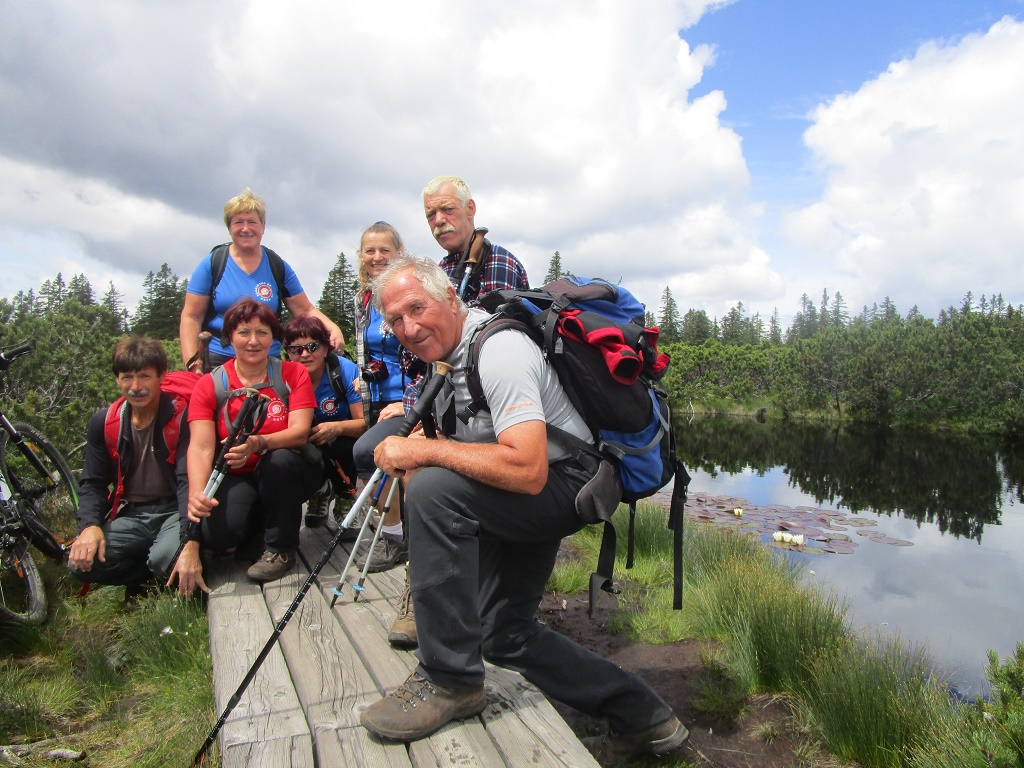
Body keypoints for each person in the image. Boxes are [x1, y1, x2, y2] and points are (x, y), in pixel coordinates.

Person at [357, 255, 688, 767]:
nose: (408, 327)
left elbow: (527, 468)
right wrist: (434, 441)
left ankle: (449, 679)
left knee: (431, 489)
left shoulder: (500, 349)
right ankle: (644, 717)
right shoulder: (450, 353)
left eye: (416, 309)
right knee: (502, 632)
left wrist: (425, 452)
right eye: (395, 320)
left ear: (449, 298)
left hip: (561, 486)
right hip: (535, 490)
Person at [168, 297, 320, 596]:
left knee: (278, 462)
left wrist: (258, 443)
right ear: (229, 338)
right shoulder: (211, 384)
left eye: (262, 332)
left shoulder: (292, 374)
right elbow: (199, 448)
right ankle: (258, 526)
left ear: (273, 338)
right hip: (238, 475)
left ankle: (281, 549)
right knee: (219, 535)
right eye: (243, 333)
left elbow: (300, 432)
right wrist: (198, 495)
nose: (253, 341)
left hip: (289, 468)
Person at [68, 338, 188, 600]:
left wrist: (192, 533)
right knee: (79, 562)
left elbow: (187, 481)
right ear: (117, 380)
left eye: (145, 376)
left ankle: (159, 569)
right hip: (132, 513)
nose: (136, 387)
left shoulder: (182, 417)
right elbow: (94, 482)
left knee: (164, 559)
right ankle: (146, 578)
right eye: (127, 377)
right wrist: (88, 527)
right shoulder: (106, 422)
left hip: (174, 510)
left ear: (161, 377)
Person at [179, 188, 344, 373]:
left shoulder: (276, 265)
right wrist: (193, 364)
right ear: (229, 227)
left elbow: (304, 309)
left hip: (267, 360)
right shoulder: (212, 263)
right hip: (219, 361)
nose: (245, 228)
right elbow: (191, 316)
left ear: (263, 226)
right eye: (238, 222)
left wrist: (332, 327)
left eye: (252, 222)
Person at [349, 222, 420, 575]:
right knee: (383, 463)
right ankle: (400, 528)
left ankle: (395, 537)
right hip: (374, 400)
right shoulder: (362, 298)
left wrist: (409, 401)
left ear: (399, 253)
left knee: (367, 455)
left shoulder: (406, 293)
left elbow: (423, 349)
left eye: (384, 250)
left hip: (403, 399)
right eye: (369, 250)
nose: (376, 257)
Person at [282, 315, 365, 528]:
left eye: (312, 346)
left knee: (347, 446)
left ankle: (345, 498)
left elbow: (364, 423)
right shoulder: (281, 378)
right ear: (287, 353)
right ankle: (319, 492)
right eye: (296, 349)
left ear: (326, 348)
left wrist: (336, 427)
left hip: (340, 439)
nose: (305, 354)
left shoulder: (344, 371)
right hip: (303, 443)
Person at [422, 175, 529, 305]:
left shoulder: (496, 259)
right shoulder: (438, 271)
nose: (438, 220)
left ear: (470, 209)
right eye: (431, 215)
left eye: (448, 209)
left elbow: (494, 322)